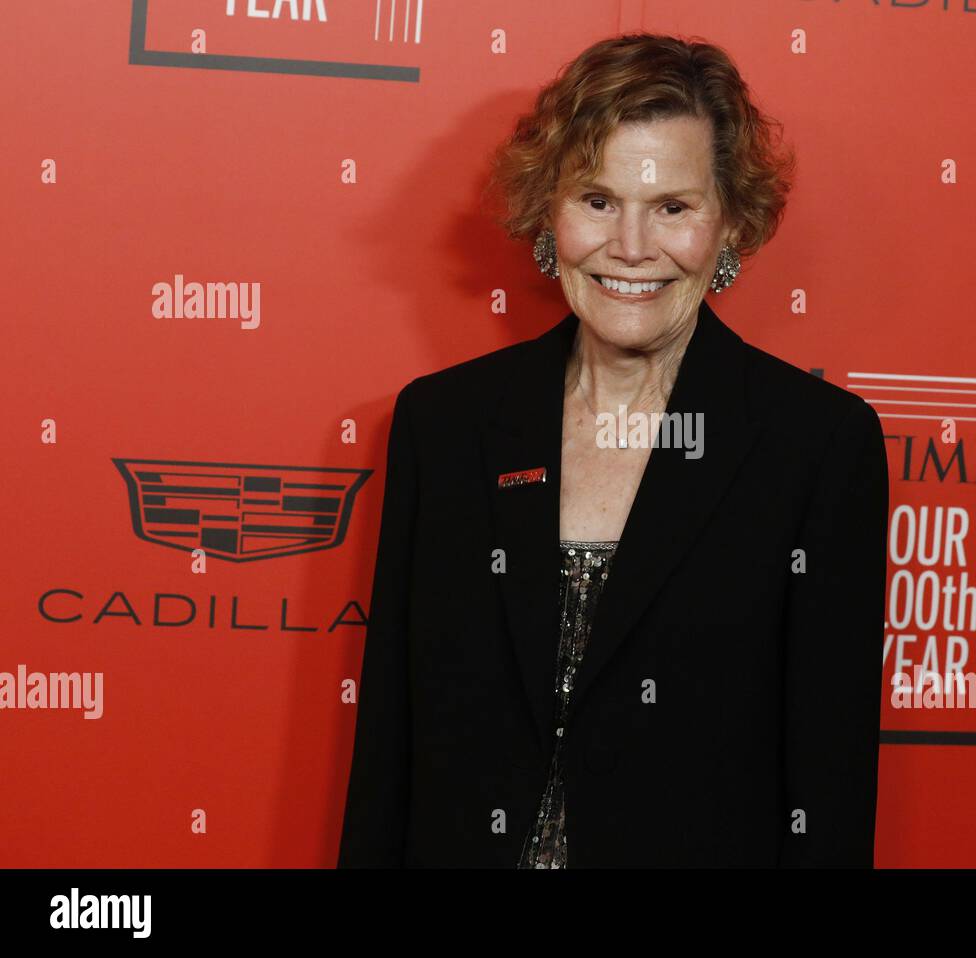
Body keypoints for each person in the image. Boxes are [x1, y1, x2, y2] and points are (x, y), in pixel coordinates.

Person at [337, 32, 889, 868]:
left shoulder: (817, 448)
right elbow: (389, 748)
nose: (631, 247)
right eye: (597, 200)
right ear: (547, 212)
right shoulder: (443, 427)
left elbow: (830, 779)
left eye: (673, 206)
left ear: (731, 222)